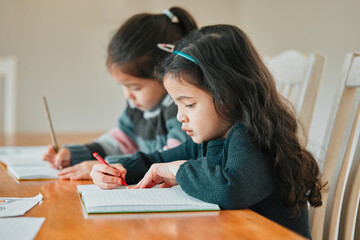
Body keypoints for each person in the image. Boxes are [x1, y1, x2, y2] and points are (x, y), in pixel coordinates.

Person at [90, 24, 325, 239]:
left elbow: (231, 189)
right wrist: (119, 169)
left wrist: (178, 169)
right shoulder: (213, 136)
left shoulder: (250, 136)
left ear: (228, 96)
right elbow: (157, 161)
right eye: (177, 104)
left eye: (189, 104)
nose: (181, 115)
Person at [42, 7, 197, 180]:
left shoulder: (180, 111)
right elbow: (120, 142)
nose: (128, 96)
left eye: (135, 87)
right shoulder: (137, 106)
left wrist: (110, 166)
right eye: (123, 86)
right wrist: (74, 155)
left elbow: (172, 159)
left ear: (169, 74)